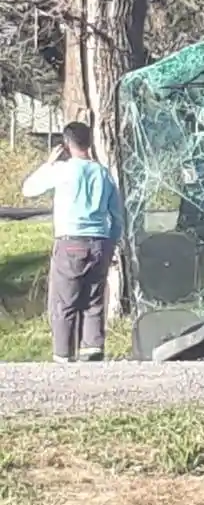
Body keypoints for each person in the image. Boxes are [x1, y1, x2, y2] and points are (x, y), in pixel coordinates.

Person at [21, 122, 124, 363]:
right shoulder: (102, 172)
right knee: (94, 300)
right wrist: (112, 243)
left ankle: (64, 355)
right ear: (90, 142)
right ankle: (92, 351)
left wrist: (48, 164)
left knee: (64, 302)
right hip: (100, 242)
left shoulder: (63, 170)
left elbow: (29, 189)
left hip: (70, 242)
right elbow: (117, 215)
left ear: (67, 144)